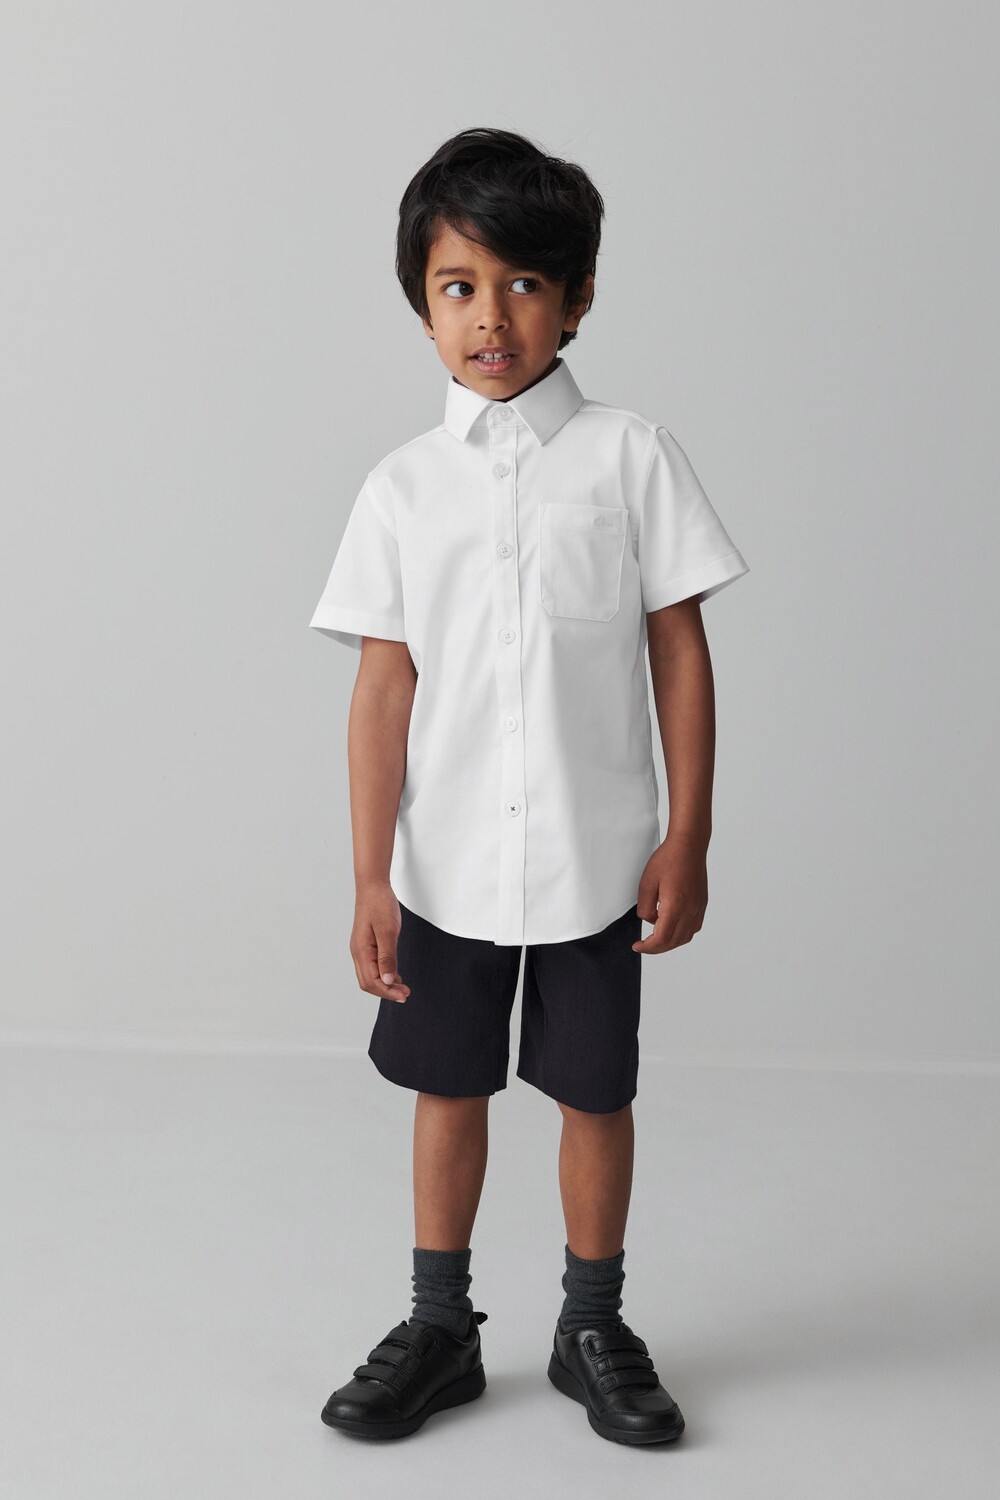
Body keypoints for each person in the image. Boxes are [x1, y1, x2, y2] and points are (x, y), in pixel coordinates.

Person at [308, 126, 749, 1445]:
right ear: (422, 303)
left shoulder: (631, 458)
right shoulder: (401, 488)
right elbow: (382, 688)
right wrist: (371, 873)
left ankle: (591, 1323)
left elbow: (680, 651)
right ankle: (439, 1327)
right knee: (449, 1088)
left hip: (596, 859)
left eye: (523, 284)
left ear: (578, 297)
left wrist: (688, 834)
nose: (491, 316)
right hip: (445, 864)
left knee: (596, 1092)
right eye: (459, 285)